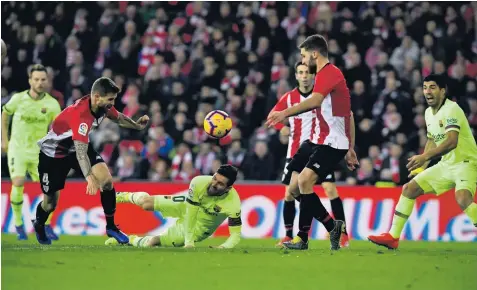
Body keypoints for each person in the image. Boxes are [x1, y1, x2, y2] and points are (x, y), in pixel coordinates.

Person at [267, 34, 358, 250]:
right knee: (293, 188)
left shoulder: (330, 73)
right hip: (315, 141)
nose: (304, 62)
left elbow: (317, 102)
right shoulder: (324, 76)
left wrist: (285, 113)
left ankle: (302, 238)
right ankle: (332, 226)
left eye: (304, 56)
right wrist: (352, 147)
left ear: (314, 54)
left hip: (332, 143)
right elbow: (346, 113)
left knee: (306, 181)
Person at [33, 77, 149, 245]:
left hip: (77, 147)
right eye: (110, 99)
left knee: (107, 182)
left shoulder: (102, 106)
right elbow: (81, 153)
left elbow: (119, 118)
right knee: (50, 204)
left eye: (114, 99)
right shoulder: (81, 115)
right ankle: (38, 224)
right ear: (96, 97)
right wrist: (89, 177)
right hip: (54, 155)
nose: (112, 103)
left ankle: (111, 227)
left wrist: (136, 126)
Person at [368, 74, 477, 249]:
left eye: (432, 87)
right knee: (409, 188)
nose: (427, 92)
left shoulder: (452, 109)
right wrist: (421, 167)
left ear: (443, 91)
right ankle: (393, 237)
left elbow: (451, 141)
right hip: (446, 164)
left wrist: (425, 157)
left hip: (466, 163)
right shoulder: (428, 113)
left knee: (463, 198)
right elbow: (432, 140)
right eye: (425, 88)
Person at [107, 165, 242, 249]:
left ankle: (128, 240)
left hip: (200, 227)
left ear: (228, 188)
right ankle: (120, 196)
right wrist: (189, 242)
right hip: (187, 205)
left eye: (220, 184)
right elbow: (191, 212)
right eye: (214, 178)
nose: (213, 184)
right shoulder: (199, 182)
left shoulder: (233, 204)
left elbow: (235, 235)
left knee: (153, 242)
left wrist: (223, 247)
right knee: (146, 203)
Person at [1, 64, 61, 240]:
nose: (40, 83)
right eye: (36, 79)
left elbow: (57, 129)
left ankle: (45, 223)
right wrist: (4, 140)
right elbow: (4, 115)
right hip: (18, 149)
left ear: (47, 81)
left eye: (43, 79)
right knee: (18, 181)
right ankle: (19, 225)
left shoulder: (52, 104)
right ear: (30, 80)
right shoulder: (18, 99)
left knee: (50, 189)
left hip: (39, 152)